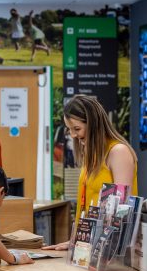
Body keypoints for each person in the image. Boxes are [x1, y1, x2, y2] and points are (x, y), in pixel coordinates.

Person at [42, 94, 138, 251]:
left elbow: (122, 209)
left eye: (77, 129)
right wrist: (75, 240)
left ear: (93, 124)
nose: (73, 135)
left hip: (112, 250)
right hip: (90, 247)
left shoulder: (118, 152)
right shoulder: (91, 154)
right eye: (70, 130)